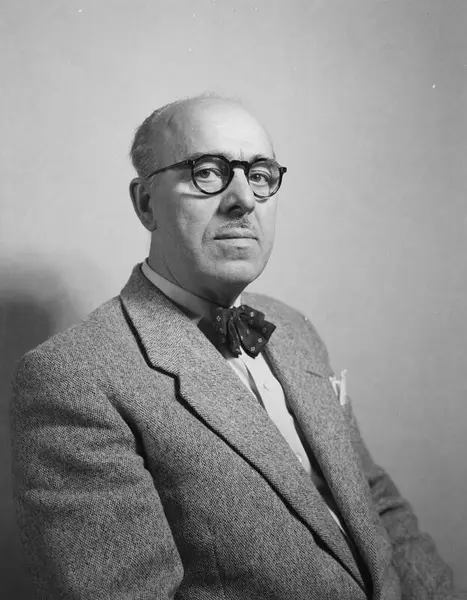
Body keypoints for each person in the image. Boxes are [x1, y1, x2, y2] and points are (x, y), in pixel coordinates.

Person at [10, 94, 464, 600]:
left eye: (261, 175)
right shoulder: (72, 377)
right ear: (145, 204)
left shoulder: (292, 327)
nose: (244, 200)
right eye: (207, 172)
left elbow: (374, 504)